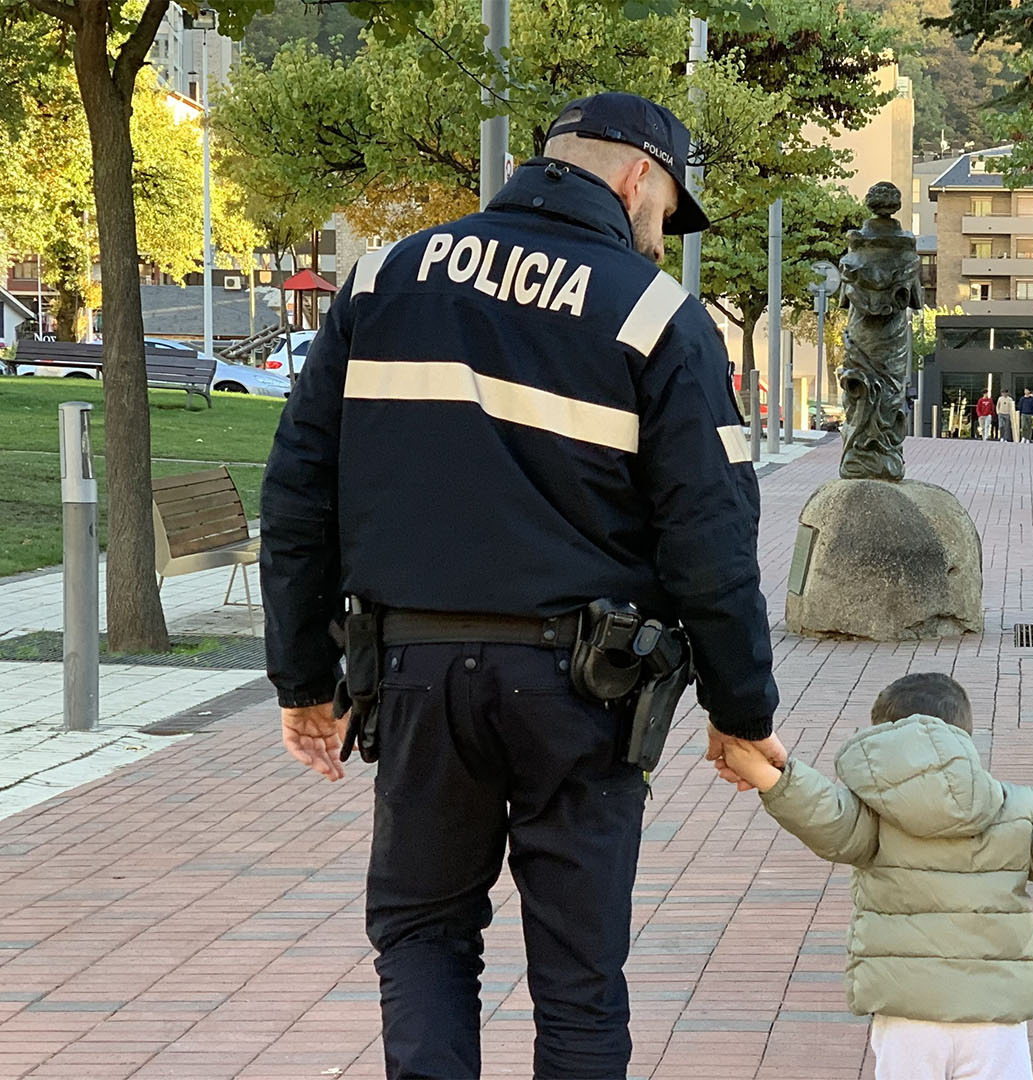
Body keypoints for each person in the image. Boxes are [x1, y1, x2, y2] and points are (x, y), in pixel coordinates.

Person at [261, 92, 786, 1080]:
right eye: (668, 211)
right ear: (638, 175)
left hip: (411, 674)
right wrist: (740, 708)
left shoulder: (384, 279)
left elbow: (297, 493)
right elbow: (711, 537)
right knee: (580, 979)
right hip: (583, 691)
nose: (664, 237)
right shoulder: (651, 311)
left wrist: (301, 679)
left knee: (421, 938)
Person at [720, 673, 1033, 1080]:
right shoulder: (1015, 806)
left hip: (907, 1012)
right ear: (965, 737)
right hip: (994, 1016)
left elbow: (826, 817)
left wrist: (767, 774)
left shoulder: (874, 812)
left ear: (883, 738)